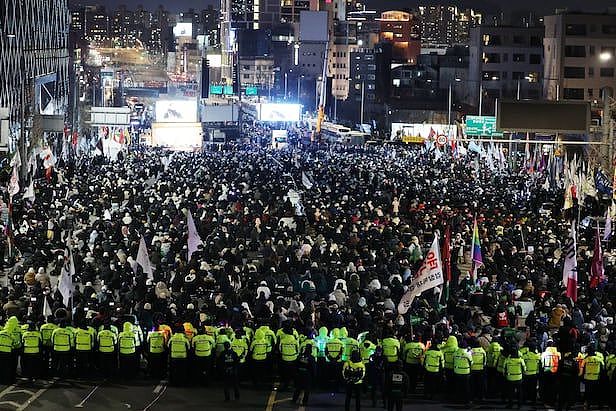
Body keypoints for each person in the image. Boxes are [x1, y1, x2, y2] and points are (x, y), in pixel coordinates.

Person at [580, 345, 603, 410]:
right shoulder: (599, 359)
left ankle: (588, 406)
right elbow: (602, 369)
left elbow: (582, 369)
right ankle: (599, 405)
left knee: (588, 394)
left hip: (588, 379)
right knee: (597, 393)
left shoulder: (585, 360)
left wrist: (581, 377)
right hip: (596, 378)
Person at [452, 340, 473, 406]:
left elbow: (453, 361)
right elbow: (471, 363)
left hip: (457, 371)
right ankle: (466, 400)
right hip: (465, 372)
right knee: (466, 387)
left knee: (458, 387)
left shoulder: (455, 353)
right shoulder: (467, 354)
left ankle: (458, 399)